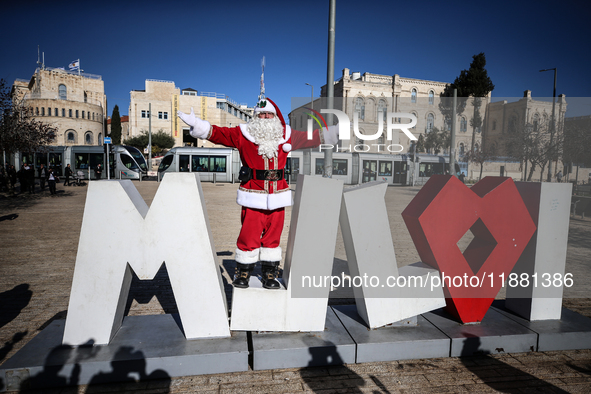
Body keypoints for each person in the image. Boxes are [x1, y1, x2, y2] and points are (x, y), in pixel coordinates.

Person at [178, 95, 337, 290]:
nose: (265, 117)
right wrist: (198, 124)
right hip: (253, 192)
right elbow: (219, 133)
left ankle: (270, 273)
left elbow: (310, 138)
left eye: (269, 114)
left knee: (273, 235)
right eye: (261, 115)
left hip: (278, 194)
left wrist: (336, 131)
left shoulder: (287, 134)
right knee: (249, 234)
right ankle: (243, 272)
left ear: (275, 117)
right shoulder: (242, 134)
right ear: (255, 117)